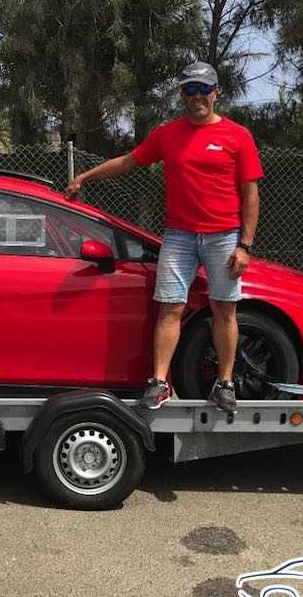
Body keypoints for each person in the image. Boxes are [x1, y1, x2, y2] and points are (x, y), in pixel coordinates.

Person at [65, 61, 262, 413]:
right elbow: (128, 161)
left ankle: (225, 383)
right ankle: (158, 383)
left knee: (224, 308)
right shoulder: (167, 134)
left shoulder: (238, 136)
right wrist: (85, 177)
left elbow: (250, 193)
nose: (197, 96)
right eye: (190, 90)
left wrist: (244, 245)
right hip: (180, 236)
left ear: (216, 93)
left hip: (223, 237)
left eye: (203, 89)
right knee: (170, 307)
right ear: (182, 95)